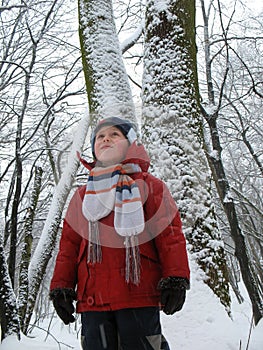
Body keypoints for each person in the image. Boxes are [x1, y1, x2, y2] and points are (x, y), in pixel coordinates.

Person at [50, 117, 190, 350]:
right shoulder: (82, 196)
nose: (106, 139)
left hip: (137, 296)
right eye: (100, 137)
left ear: (131, 143)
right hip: (93, 302)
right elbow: (69, 246)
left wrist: (176, 278)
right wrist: (61, 287)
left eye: (114, 134)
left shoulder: (149, 186)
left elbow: (170, 235)